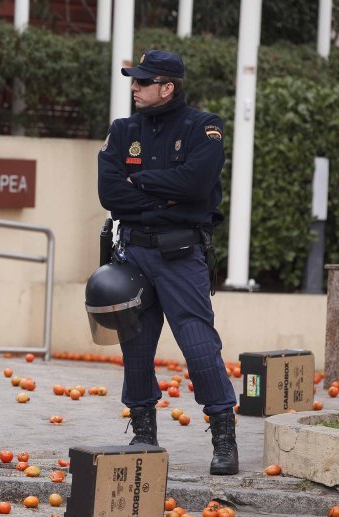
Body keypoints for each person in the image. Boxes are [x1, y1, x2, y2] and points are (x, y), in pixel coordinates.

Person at [97, 50, 238, 475]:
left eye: (142, 81)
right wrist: (167, 200)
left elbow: (196, 184)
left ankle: (224, 437)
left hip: (181, 255)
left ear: (167, 87)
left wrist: (137, 182)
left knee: (198, 346)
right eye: (134, 81)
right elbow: (109, 194)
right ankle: (143, 434)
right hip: (134, 253)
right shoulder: (123, 131)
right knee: (135, 349)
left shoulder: (204, 127)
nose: (134, 87)